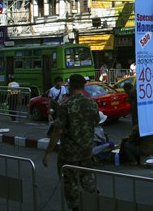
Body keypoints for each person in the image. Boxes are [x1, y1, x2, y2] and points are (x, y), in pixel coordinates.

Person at [43, 74, 99, 211]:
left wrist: (47, 154)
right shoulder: (91, 103)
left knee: (71, 185)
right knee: (88, 182)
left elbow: (57, 132)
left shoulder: (66, 106)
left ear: (70, 86)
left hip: (69, 155)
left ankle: (76, 208)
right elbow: (96, 121)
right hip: (86, 151)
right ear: (83, 86)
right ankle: (94, 205)